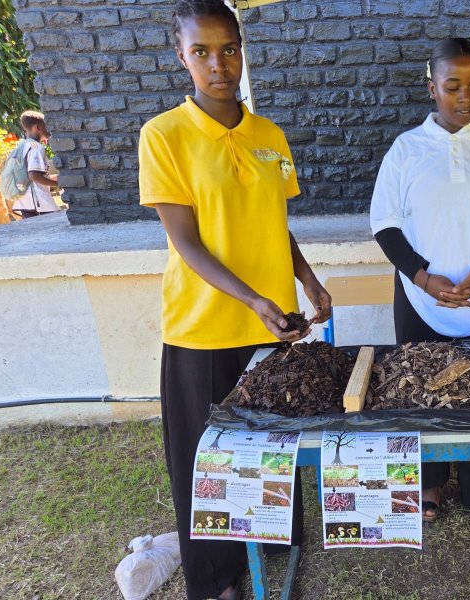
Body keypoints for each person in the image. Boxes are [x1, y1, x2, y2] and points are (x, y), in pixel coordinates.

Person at [137, 2, 331, 598]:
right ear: (181, 56)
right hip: (203, 326)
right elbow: (186, 243)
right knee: (205, 459)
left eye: (228, 49)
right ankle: (216, 579)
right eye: (201, 51)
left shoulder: (269, 135)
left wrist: (307, 279)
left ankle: (272, 541)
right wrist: (252, 298)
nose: (218, 64)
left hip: (272, 322)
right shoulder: (164, 135)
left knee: (271, 441)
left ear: (242, 52)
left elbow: (274, 222)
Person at [370, 38, 470, 523]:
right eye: (453, 86)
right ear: (431, 88)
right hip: (421, 297)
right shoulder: (406, 149)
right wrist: (424, 278)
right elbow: (385, 224)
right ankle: (431, 482)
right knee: (422, 387)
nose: (466, 97)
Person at [11, 111, 60, 218]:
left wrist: (57, 178)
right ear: (38, 127)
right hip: (39, 203)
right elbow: (33, 176)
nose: (49, 130)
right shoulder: (36, 147)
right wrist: (58, 183)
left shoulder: (22, 146)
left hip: (25, 203)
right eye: (47, 126)